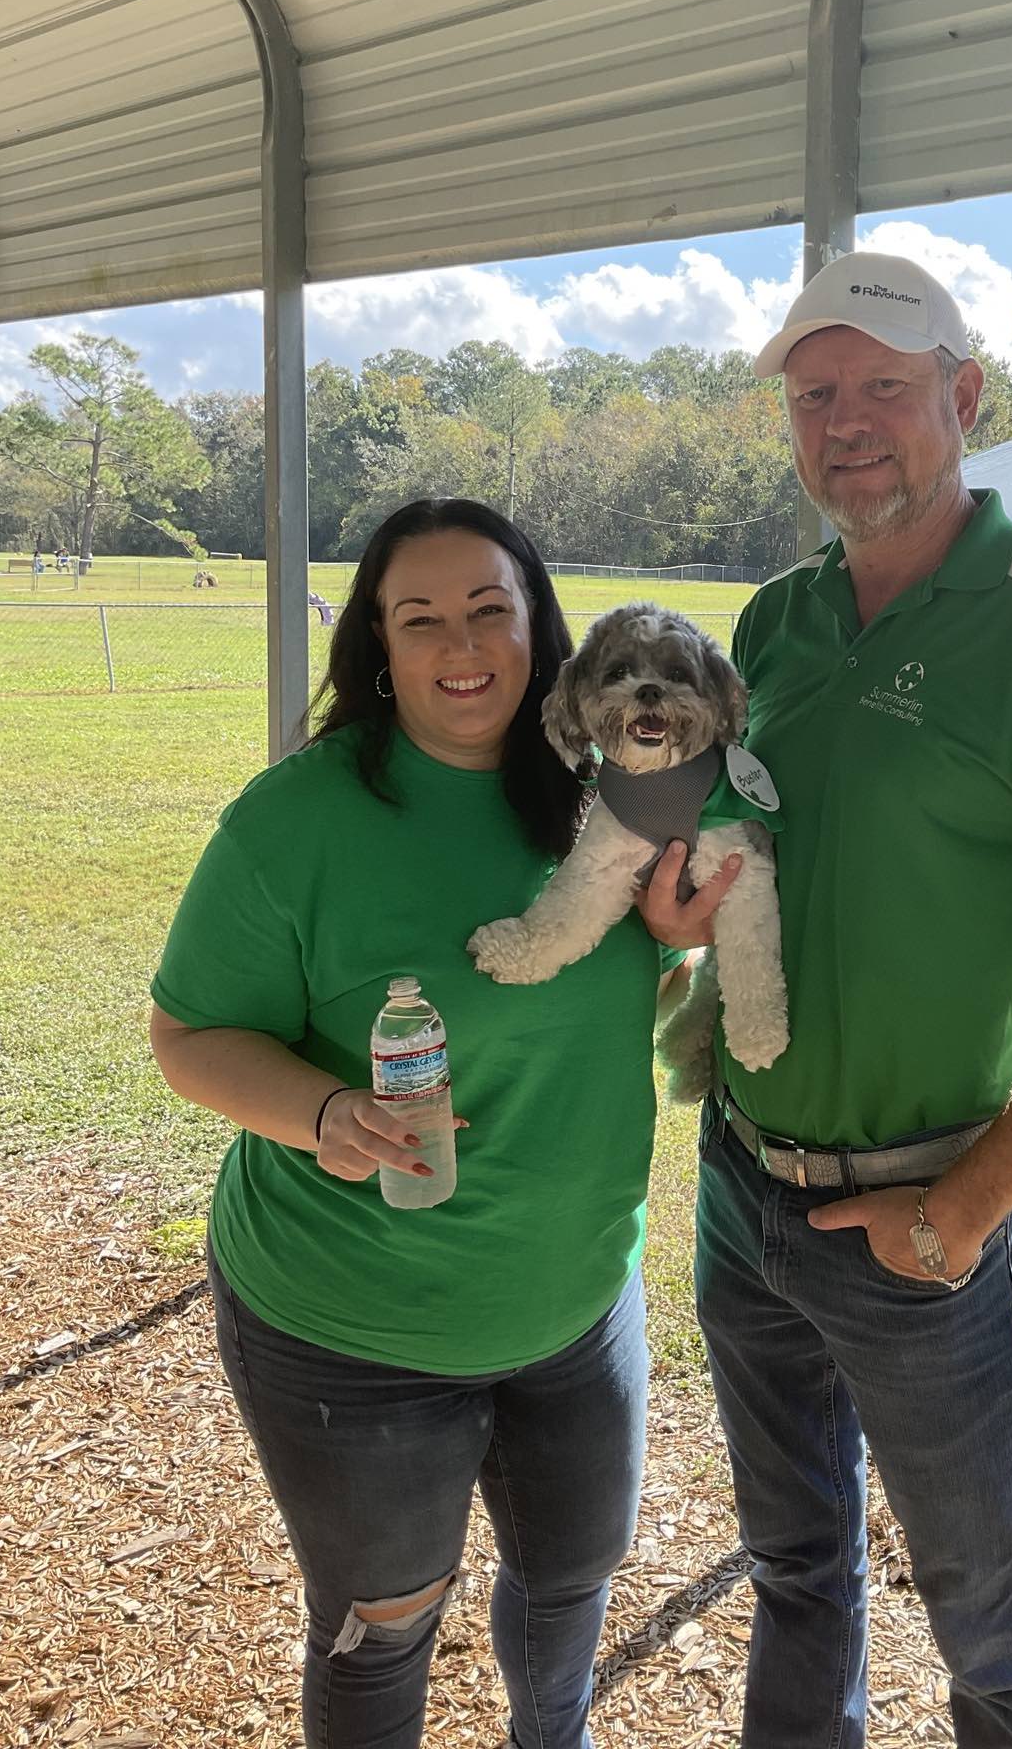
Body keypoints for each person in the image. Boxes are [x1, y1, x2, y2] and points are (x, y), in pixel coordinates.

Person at [641, 253, 1012, 1748]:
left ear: (963, 397)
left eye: (883, 388)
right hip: (742, 1188)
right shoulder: (768, 624)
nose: (845, 422)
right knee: (796, 1572)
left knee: (989, 1620)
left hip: (921, 1230)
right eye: (814, 393)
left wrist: (964, 1213)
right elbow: (739, 851)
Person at [150, 497, 705, 1749]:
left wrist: (681, 943)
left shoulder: (614, 788)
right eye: (422, 617)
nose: (462, 643)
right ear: (380, 648)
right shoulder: (297, 819)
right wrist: (328, 1109)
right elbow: (189, 1036)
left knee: (571, 1580)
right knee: (386, 1619)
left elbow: (629, 994)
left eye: (489, 609)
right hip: (353, 1323)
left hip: (576, 1296)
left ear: (537, 629)